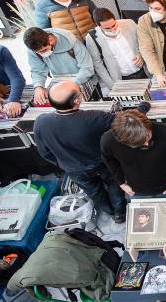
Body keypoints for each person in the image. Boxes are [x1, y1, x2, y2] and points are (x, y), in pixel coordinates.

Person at [33, 81, 126, 222]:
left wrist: (64, 163)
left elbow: (45, 152)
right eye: (79, 91)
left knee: (95, 192)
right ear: (77, 100)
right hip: (103, 163)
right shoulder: (96, 117)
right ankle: (120, 212)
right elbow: (125, 122)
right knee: (114, 184)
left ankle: (110, 212)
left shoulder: (41, 122)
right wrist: (142, 108)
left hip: (73, 169)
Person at [101, 107, 166, 196]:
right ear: (124, 140)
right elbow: (109, 160)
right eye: (139, 143)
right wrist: (121, 183)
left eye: (148, 136)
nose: (147, 144)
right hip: (136, 190)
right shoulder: (109, 141)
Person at [23, 27, 96, 106]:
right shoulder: (33, 50)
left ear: (50, 39)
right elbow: (37, 71)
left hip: (82, 80)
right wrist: (38, 87)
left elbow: (87, 68)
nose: (41, 54)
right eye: (38, 52)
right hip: (59, 80)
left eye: (44, 50)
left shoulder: (71, 42)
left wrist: (73, 84)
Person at [85, 8, 146, 93]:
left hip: (144, 71)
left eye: (114, 25)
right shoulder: (92, 38)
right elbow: (98, 64)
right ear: (98, 26)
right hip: (122, 80)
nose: (112, 30)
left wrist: (141, 54)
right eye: (107, 28)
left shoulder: (129, 23)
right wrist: (112, 85)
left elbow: (145, 42)